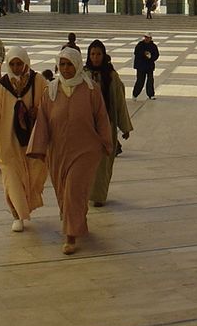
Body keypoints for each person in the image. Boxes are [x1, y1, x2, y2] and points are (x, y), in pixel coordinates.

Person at [27, 47, 113, 255]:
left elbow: (101, 118)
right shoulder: (52, 91)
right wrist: (38, 147)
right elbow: (43, 121)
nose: (66, 69)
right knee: (65, 192)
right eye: (62, 64)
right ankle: (76, 220)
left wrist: (107, 142)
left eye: (69, 64)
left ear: (77, 65)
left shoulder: (91, 90)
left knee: (73, 189)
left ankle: (70, 236)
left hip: (85, 150)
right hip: (58, 151)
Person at [0, 47, 49, 233]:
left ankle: (26, 205)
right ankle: (16, 214)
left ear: (26, 62)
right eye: (13, 64)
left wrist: (39, 111)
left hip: (32, 140)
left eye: (20, 64)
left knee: (33, 175)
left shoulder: (38, 81)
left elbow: (50, 104)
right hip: (8, 141)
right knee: (11, 178)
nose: (17, 68)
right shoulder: (0, 87)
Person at [85, 40, 133, 207]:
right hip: (87, 126)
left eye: (98, 54)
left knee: (103, 163)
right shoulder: (83, 75)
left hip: (106, 125)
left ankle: (98, 195)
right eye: (92, 54)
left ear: (104, 55)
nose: (96, 58)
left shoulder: (111, 76)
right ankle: (85, 192)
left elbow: (119, 102)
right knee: (87, 161)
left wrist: (124, 126)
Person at [132, 33, 159, 100]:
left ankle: (151, 94)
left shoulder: (153, 46)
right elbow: (136, 53)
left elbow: (156, 55)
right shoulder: (140, 45)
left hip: (149, 66)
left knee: (150, 80)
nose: (147, 39)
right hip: (141, 66)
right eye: (146, 37)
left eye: (148, 37)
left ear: (150, 38)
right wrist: (144, 54)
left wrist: (151, 57)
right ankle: (135, 94)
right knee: (140, 81)